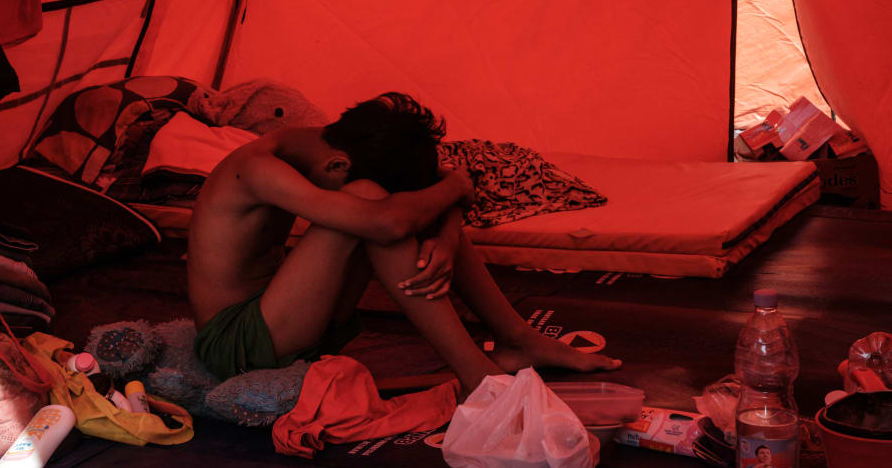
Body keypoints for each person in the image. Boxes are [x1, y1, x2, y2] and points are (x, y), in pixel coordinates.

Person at [187, 91, 621, 396]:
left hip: (293, 326)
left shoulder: (340, 143)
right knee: (374, 204)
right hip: (238, 345)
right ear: (339, 164)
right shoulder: (257, 168)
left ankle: (520, 338)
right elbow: (391, 218)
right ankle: (476, 375)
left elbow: (423, 201)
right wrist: (454, 186)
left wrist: (447, 238)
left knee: (397, 209)